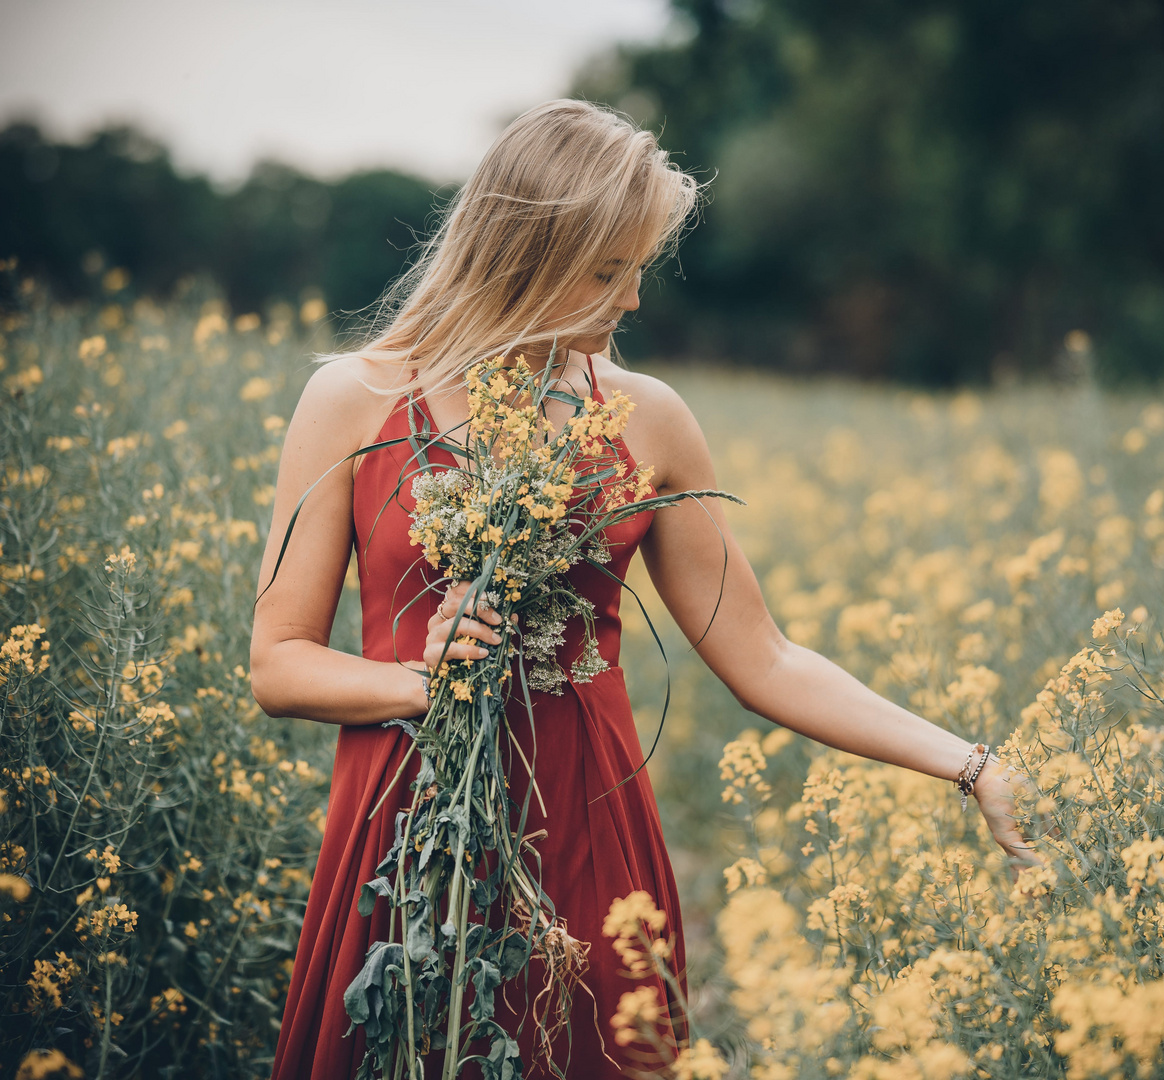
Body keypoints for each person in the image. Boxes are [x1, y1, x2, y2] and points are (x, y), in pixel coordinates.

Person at [251, 99, 1040, 1080]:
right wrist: (424, 682)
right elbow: (277, 665)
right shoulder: (353, 400)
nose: (630, 303)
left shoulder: (648, 420)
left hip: (588, 831)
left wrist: (970, 766)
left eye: (638, 270)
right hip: (407, 833)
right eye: (608, 270)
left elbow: (766, 657)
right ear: (527, 252)